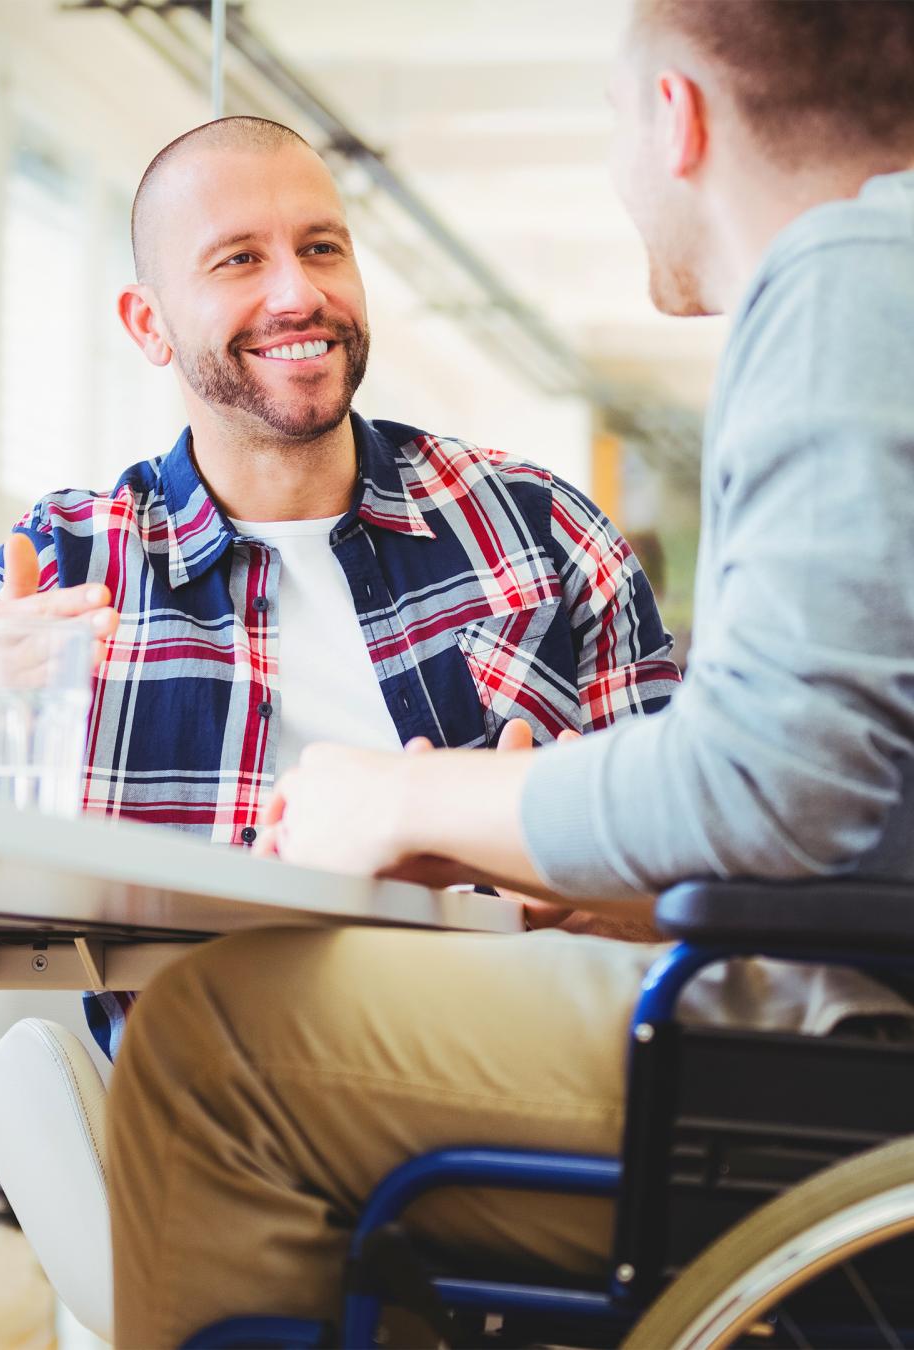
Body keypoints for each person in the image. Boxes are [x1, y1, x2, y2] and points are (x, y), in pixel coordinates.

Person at [105, 0, 914, 1343]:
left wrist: (416, 800)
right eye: (236, 258)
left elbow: (782, 778)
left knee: (210, 1041)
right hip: (838, 1029)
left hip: (843, 1078)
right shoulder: (78, 553)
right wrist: (565, 845)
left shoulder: (844, 278)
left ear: (676, 114)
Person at [0, 116, 677, 1060]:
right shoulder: (62, 560)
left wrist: (576, 885)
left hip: (512, 1094)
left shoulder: (542, 530)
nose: (298, 293)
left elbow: (709, 877)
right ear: (147, 324)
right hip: (202, 1118)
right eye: (238, 259)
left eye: (323, 248)